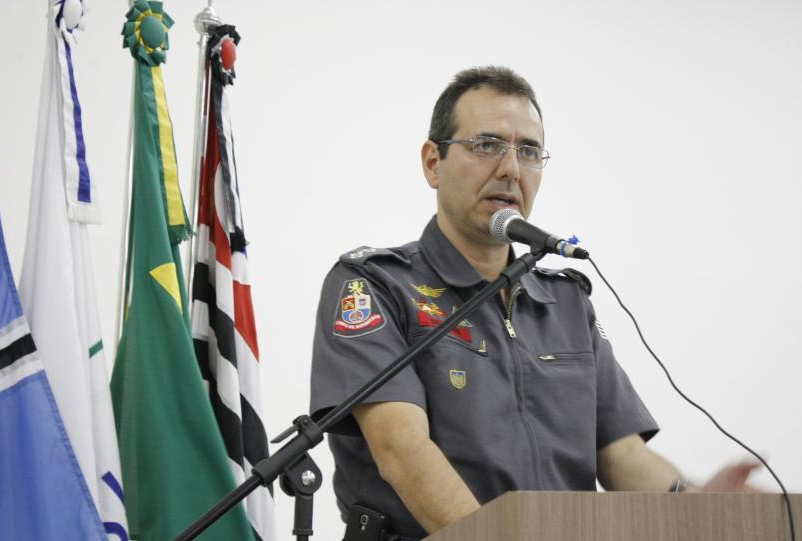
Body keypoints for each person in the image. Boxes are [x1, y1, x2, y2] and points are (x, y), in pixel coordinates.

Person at [310, 66, 758, 541]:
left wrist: (698, 505)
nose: (510, 169)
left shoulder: (565, 303)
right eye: (486, 145)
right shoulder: (375, 285)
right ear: (433, 163)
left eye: (528, 151)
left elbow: (622, 455)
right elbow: (401, 449)